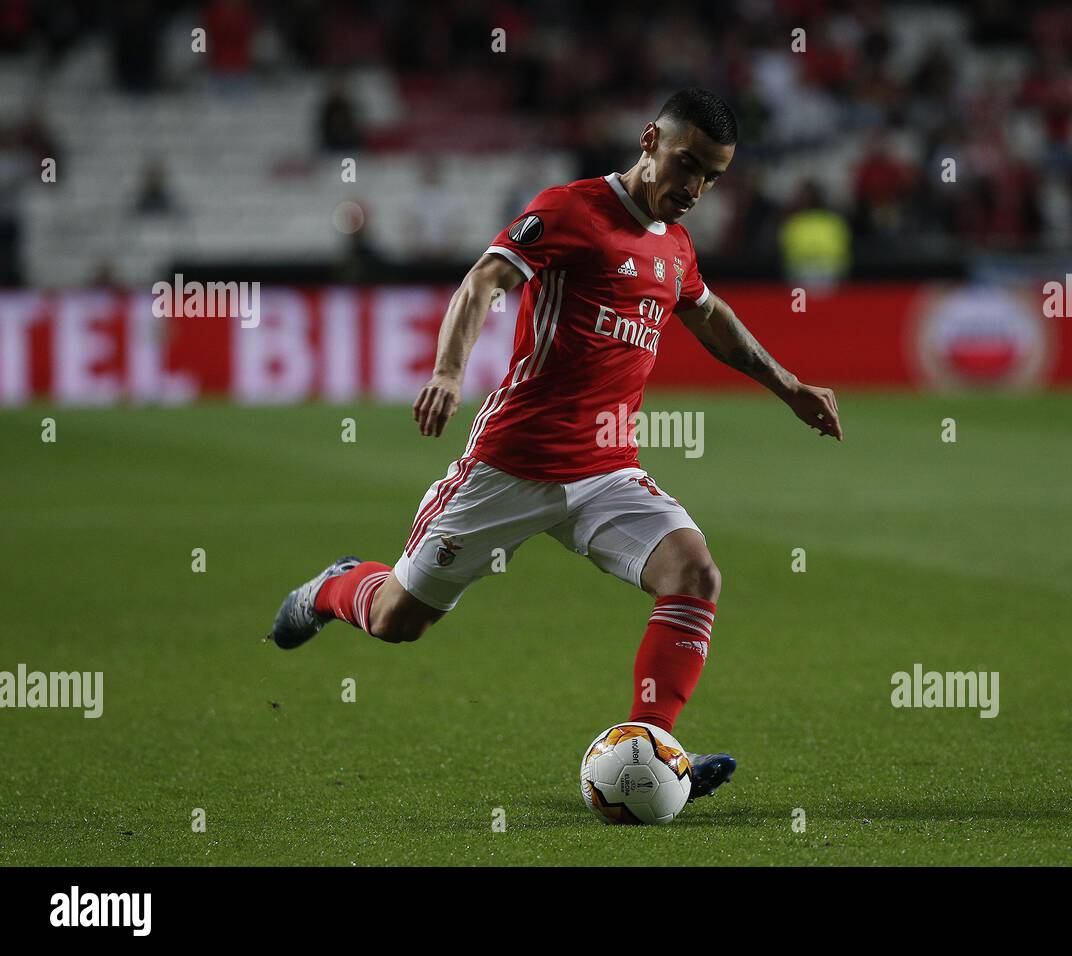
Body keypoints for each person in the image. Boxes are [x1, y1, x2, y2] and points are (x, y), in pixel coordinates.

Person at [267, 88, 843, 809]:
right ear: (649, 140)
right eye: (687, 164)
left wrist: (788, 386)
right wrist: (448, 370)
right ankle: (335, 586)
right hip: (511, 464)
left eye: (713, 176)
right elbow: (486, 278)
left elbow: (712, 317)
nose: (694, 188)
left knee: (695, 573)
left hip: (607, 471)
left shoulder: (676, 247)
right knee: (397, 622)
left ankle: (655, 754)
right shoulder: (574, 211)